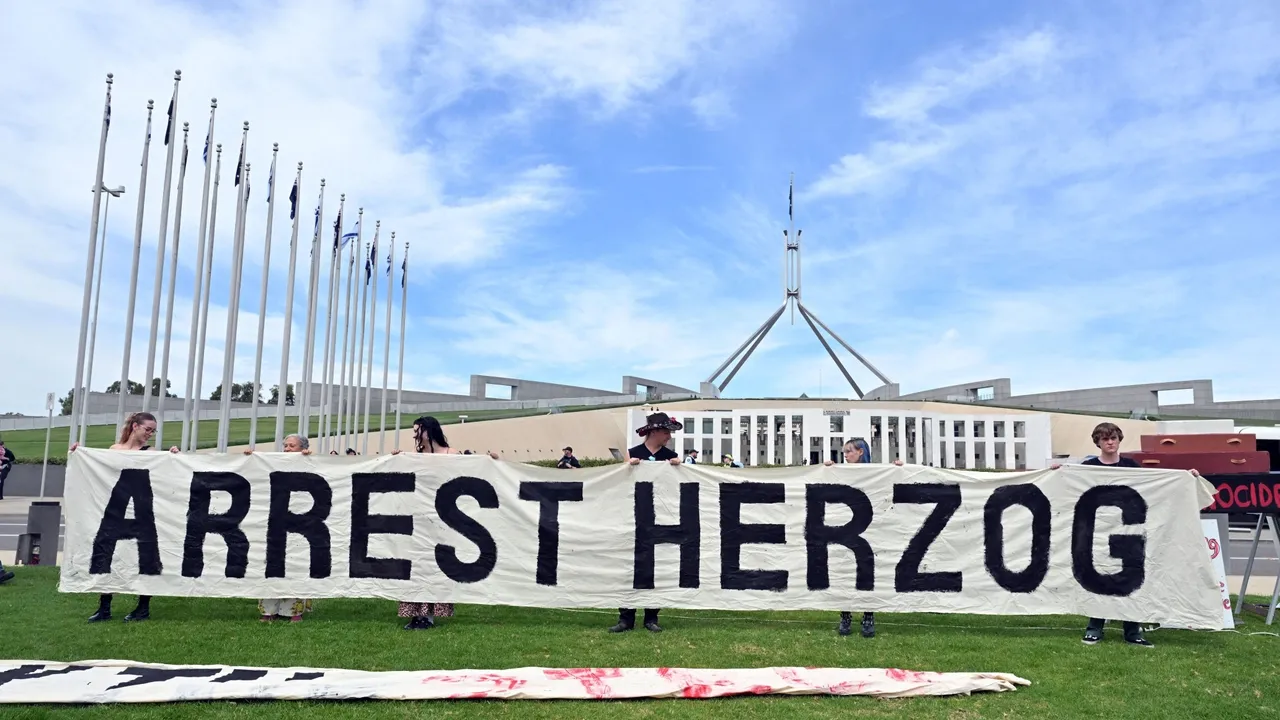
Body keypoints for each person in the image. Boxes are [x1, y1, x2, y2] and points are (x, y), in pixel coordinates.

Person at [392, 416, 498, 629]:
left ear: (429, 431)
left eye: (417, 431)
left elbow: (470, 473)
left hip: (444, 520)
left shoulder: (451, 454)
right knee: (417, 566)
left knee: (437, 567)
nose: (414, 436)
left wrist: (489, 461)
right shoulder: (416, 455)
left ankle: (429, 615)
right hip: (420, 519)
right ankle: (416, 613)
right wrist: (395, 459)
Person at [73, 412, 179, 623]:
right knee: (109, 556)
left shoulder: (150, 452)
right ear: (135, 426)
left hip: (142, 511)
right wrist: (80, 453)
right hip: (116, 511)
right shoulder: (115, 450)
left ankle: (143, 607)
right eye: (147, 429)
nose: (150, 434)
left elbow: (166, 472)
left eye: (153, 431)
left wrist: (173, 456)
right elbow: (101, 471)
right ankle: (104, 607)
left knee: (145, 558)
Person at [612, 412, 684, 634]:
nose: (669, 437)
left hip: (660, 518)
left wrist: (679, 467)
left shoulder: (671, 456)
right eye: (666, 432)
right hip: (634, 517)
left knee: (657, 568)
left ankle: (651, 617)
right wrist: (628, 467)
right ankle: (626, 618)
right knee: (629, 569)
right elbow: (620, 483)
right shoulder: (633, 453)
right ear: (655, 432)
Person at [825, 439, 901, 638]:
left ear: (860, 452)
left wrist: (898, 469)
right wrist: (828, 469)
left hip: (870, 530)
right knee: (844, 572)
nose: (845, 456)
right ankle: (845, 615)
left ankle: (868, 615)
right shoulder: (842, 471)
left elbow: (891, 484)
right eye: (844, 452)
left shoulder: (875, 473)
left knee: (869, 573)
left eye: (849, 452)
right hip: (846, 528)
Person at [250, 433, 316, 623]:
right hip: (276, 521)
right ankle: (269, 610)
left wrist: (310, 458)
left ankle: (293, 610)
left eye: (291, 446)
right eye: (285, 445)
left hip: (301, 521)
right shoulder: (274, 463)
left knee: (297, 565)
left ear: (303, 448)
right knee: (272, 564)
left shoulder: (310, 463)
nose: (287, 449)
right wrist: (250, 459)